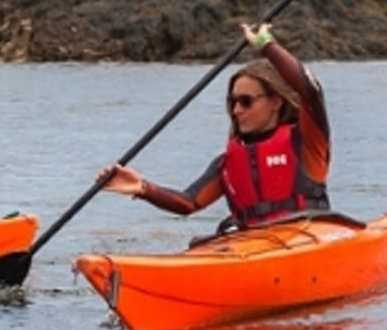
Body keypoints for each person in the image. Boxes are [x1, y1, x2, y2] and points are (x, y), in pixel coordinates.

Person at [99, 22, 331, 228]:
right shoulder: (227, 163)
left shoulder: (306, 143)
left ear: (275, 102)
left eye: (246, 101)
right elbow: (189, 202)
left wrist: (266, 46)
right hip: (254, 248)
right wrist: (142, 188)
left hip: (307, 238)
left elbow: (311, 92)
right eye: (232, 102)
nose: (236, 110)